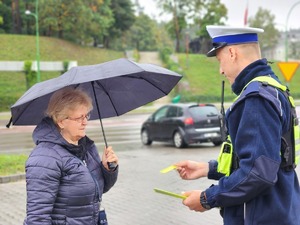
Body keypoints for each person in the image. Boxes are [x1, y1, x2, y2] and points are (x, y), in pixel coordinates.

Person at [174, 25, 300, 225]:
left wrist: (207, 198)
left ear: (232, 53)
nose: (221, 70)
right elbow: (262, 159)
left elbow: (257, 173)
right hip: (281, 210)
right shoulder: (273, 87)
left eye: (219, 61)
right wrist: (207, 168)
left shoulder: (256, 99)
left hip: (259, 218)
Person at [23, 87, 119, 225]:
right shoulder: (45, 158)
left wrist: (108, 169)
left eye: (86, 116)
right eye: (80, 117)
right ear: (61, 121)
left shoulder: (86, 148)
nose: (85, 122)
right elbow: (37, 218)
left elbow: (96, 191)